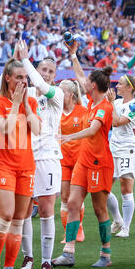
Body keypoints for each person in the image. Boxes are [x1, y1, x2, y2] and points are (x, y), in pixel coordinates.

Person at [52, 66, 114, 268]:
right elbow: (79, 75)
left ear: (93, 85)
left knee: (99, 209)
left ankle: (105, 255)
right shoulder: (92, 103)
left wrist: (68, 136)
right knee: (72, 203)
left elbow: (93, 129)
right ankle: (68, 253)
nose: (82, 83)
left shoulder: (104, 107)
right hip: (84, 162)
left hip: (99, 164)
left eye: (87, 81)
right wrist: (73, 55)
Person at [13, 40, 64, 269]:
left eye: (50, 71)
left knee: (45, 209)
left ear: (54, 76)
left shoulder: (57, 94)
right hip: (24, 157)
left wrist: (26, 60)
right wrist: (17, 60)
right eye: (43, 69)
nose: (46, 74)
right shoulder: (26, 91)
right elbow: (13, 77)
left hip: (48, 158)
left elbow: (40, 84)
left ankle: (46, 261)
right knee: (23, 211)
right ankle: (28, 257)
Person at [0, 58, 41, 269]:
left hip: (26, 166)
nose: (23, 81)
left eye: (25, 77)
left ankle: (9, 268)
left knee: (19, 219)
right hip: (3, 165)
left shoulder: (32, 102)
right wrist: (17, 104)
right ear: (7, 78)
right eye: (18, 77)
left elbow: (37, 129)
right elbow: (4, 129)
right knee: (6, 214)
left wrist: (26, 104)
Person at [105, 74, 135, 238]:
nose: (117, 86)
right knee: (103, 189)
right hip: (113, 149)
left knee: (126, 189)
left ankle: (126, 228)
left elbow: (116, 122)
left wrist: (110, 104)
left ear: (130, 87)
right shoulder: (116, 102)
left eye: (121, 84)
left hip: (128, 151)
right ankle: (118, 220)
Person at [58, 79, 86, 245]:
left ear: (71, 95)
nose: (58, 94)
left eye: (62, 91)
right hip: (62, 160)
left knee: (75, 199)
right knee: (64, 197)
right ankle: (68, 233)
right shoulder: (55, 111)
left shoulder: (82, 111)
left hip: (79, 161)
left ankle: (79, 229)